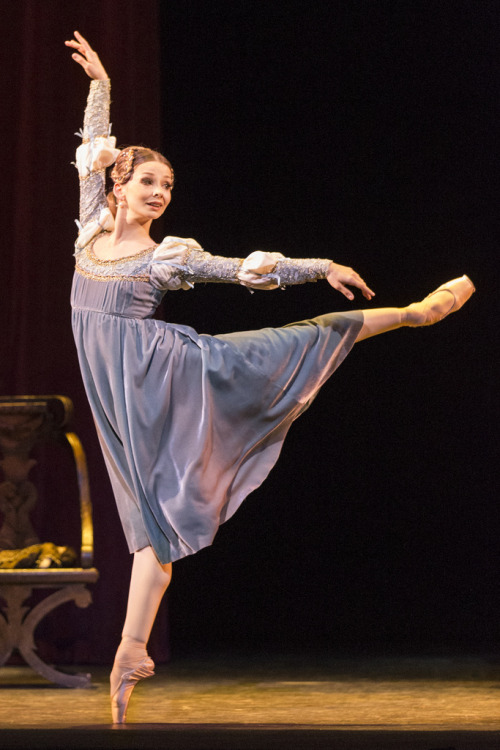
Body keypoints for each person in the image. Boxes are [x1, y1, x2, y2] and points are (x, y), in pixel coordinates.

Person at [65, 31, 474, 724]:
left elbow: (245, 270)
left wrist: (319, 267)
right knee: (151, 519)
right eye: (148, 182)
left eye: (168, 185)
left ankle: (411, 313)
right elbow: (97, 138)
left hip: (163, 376)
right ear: (117, 183)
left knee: (290, 344)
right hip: (117, 385)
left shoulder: (169, 258)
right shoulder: (89, 226)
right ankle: (132, 648)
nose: (160, 193)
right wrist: (101, 80)